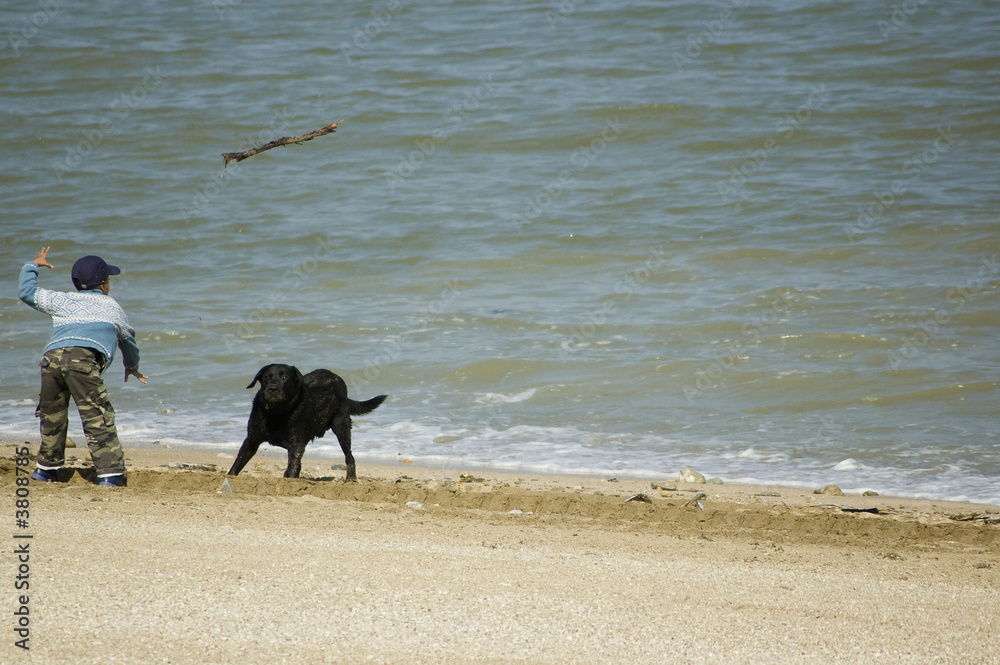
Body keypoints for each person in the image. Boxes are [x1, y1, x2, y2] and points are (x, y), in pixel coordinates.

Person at [18, 246, 147, 487]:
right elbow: (128, 339)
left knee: (52, 415)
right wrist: (132, 365)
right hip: (82, 360)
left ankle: (47, 470)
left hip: (51, 359)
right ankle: (111, 474)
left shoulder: (62, 299)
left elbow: (26, 292)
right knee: (97, 415)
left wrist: (32, 265)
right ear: (104, 283)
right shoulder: (112, 307)